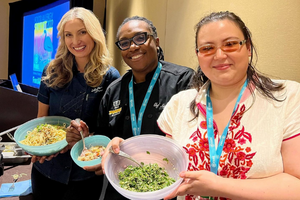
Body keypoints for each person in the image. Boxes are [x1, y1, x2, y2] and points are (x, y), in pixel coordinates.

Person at [103, 11, 300, 200]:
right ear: (198, 55)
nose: (219, 55)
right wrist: (120, 150)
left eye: (230, 44)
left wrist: (217, 185)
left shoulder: (287, 97)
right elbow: (165, 165)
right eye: (207, 48)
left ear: (248, 47)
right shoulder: (180, 104)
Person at [67, 16, 194, 199]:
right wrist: (86, 140)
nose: (133, 47)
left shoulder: (183, 81)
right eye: (125, 43)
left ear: (156, 42)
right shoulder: (114, 90)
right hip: (122, 185)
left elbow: (197, 136)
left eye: (140, 38)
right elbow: (104, 138)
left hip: (167, 185)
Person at [31, 7, 120, 200]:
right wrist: (42, 148)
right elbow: (41, 119)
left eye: (82, 32)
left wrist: (87, 137)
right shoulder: (51, 70)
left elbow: (111, 131)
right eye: (68, 35)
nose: (75, 41)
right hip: (47, 168)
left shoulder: (110, 76)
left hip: (84, 172)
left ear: (94, 33)